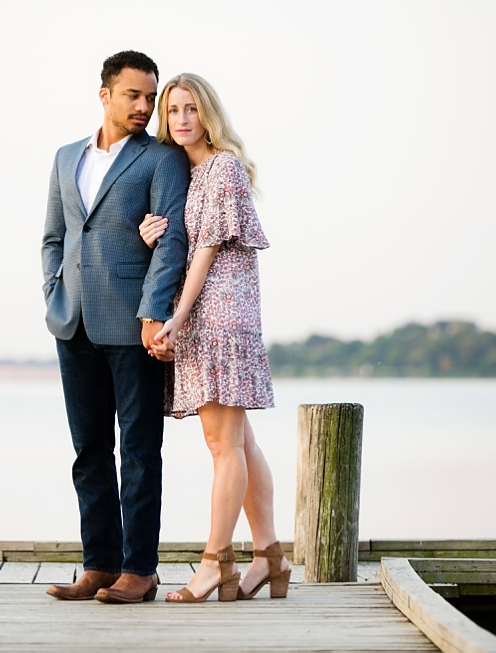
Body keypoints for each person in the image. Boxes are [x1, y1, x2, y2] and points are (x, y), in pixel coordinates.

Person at [41, 51, 190, 604]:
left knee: (139, 451)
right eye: (135, 95)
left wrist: (154, 313)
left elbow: (171, 242)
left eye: (151, 97)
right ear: (105, 94)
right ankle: (98, 565)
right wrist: (52, 291)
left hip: (134, 326)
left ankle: (140, 570)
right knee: (88, 451)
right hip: (72, 323)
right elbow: (53, 237)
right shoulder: (64, 158)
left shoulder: (161, 159)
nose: (146, 108)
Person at [139, 73, 290, 603]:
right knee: (240, 442)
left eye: (190, 109)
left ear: (209, 114)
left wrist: (175, 320)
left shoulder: (222, 167)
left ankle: (214, 564)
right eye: (172, 110)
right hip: (206, 315)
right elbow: (183, 241)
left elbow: (204, 250)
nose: (180, 119)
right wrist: (150, 233)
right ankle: (270, 557)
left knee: (222, 445)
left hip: (219, 317)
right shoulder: (188, 171)